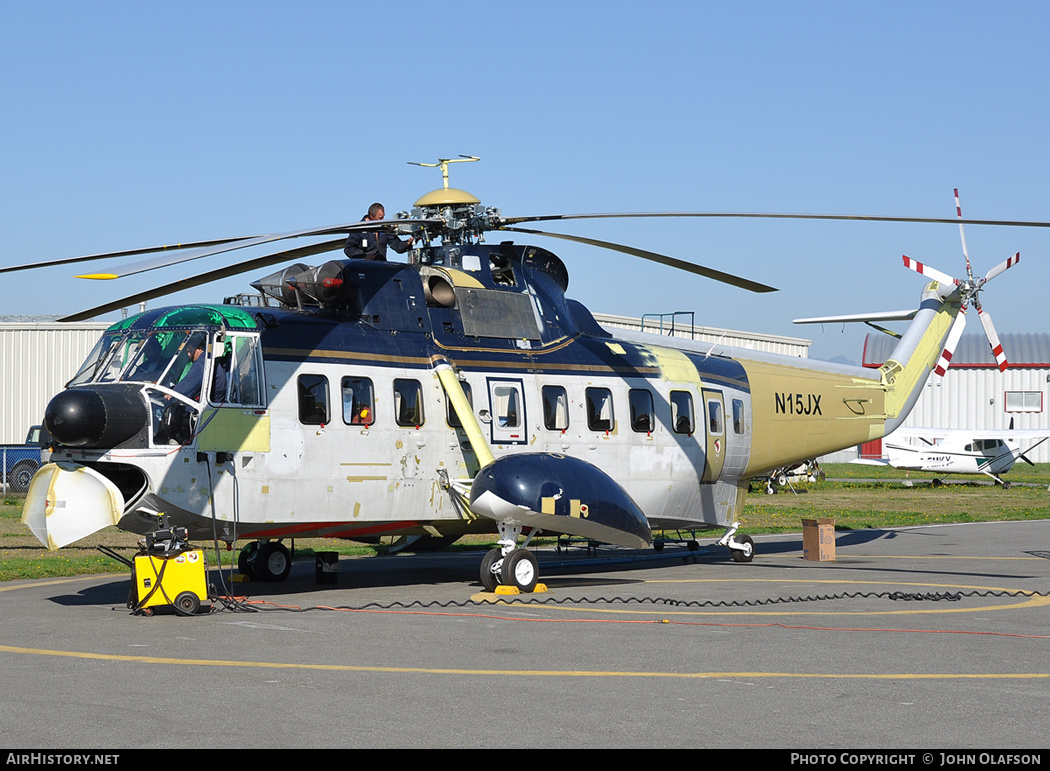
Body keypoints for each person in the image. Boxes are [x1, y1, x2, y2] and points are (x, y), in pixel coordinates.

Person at [343, 203, 415, 261]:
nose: (382, 220)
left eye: (383, 217)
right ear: (372, 216)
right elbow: (349, 250)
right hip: (364, 269)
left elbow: (397, 246)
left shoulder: (385, 229)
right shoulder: (358, 229)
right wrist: (364, 256)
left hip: (381, 269)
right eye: (380, 218)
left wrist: (408, 243)